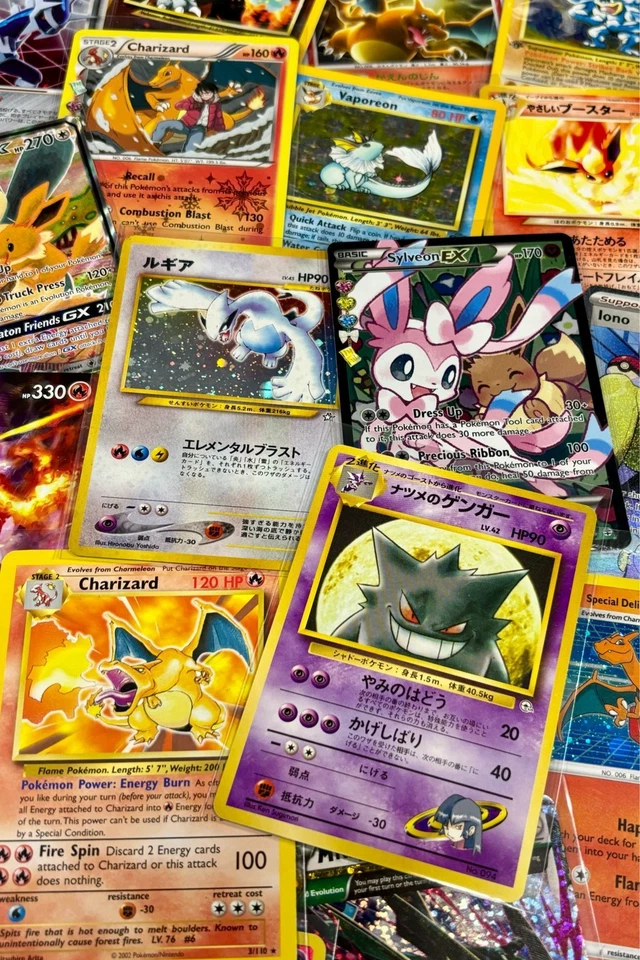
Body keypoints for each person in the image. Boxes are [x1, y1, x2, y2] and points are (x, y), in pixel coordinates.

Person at [151, 80, 225, 152]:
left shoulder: (216, 104)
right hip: (185, 124)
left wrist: (221, 132)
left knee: (193, 145)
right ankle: (155, 143)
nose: (204, 96)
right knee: (163, 124)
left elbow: (218, 118)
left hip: (199, 128)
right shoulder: (194, 99)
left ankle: (187, 155)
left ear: (213, 92)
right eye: (202, 93)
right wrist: (192, 106)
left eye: (207, 93)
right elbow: (178, 105)